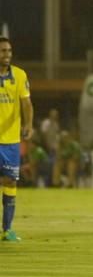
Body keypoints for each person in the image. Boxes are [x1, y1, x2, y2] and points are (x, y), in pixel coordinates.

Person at [0, 37, 34, 242]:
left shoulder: (19, 75)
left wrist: (28, 124)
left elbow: (27, 103)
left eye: (9, 51)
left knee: (10, 181)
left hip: (11, 141)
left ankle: (7, 229)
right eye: (3, 51)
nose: (7, 55)